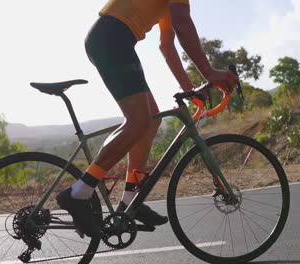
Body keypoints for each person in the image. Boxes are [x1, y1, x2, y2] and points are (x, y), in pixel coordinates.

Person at [56, 0, 238, 238]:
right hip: (113, 38)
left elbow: (167, 45)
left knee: (150, 120)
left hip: (113, 39)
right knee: (138, 121)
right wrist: (211, 73)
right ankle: (78, 193)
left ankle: (131, 200)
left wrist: (189, 88)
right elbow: (183, 24)